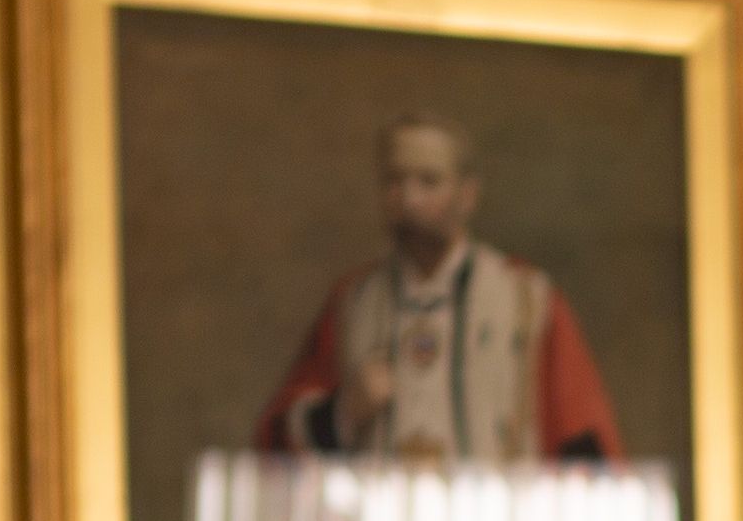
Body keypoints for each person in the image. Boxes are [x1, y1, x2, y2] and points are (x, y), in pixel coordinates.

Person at [251, 113, 624, 465]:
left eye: (429, 181)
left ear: (467, 194)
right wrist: (341, 412)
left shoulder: (526, 300)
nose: (410, 200)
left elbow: (583, 436)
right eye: (395, 181)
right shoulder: (352, 303)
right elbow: (277, 446)